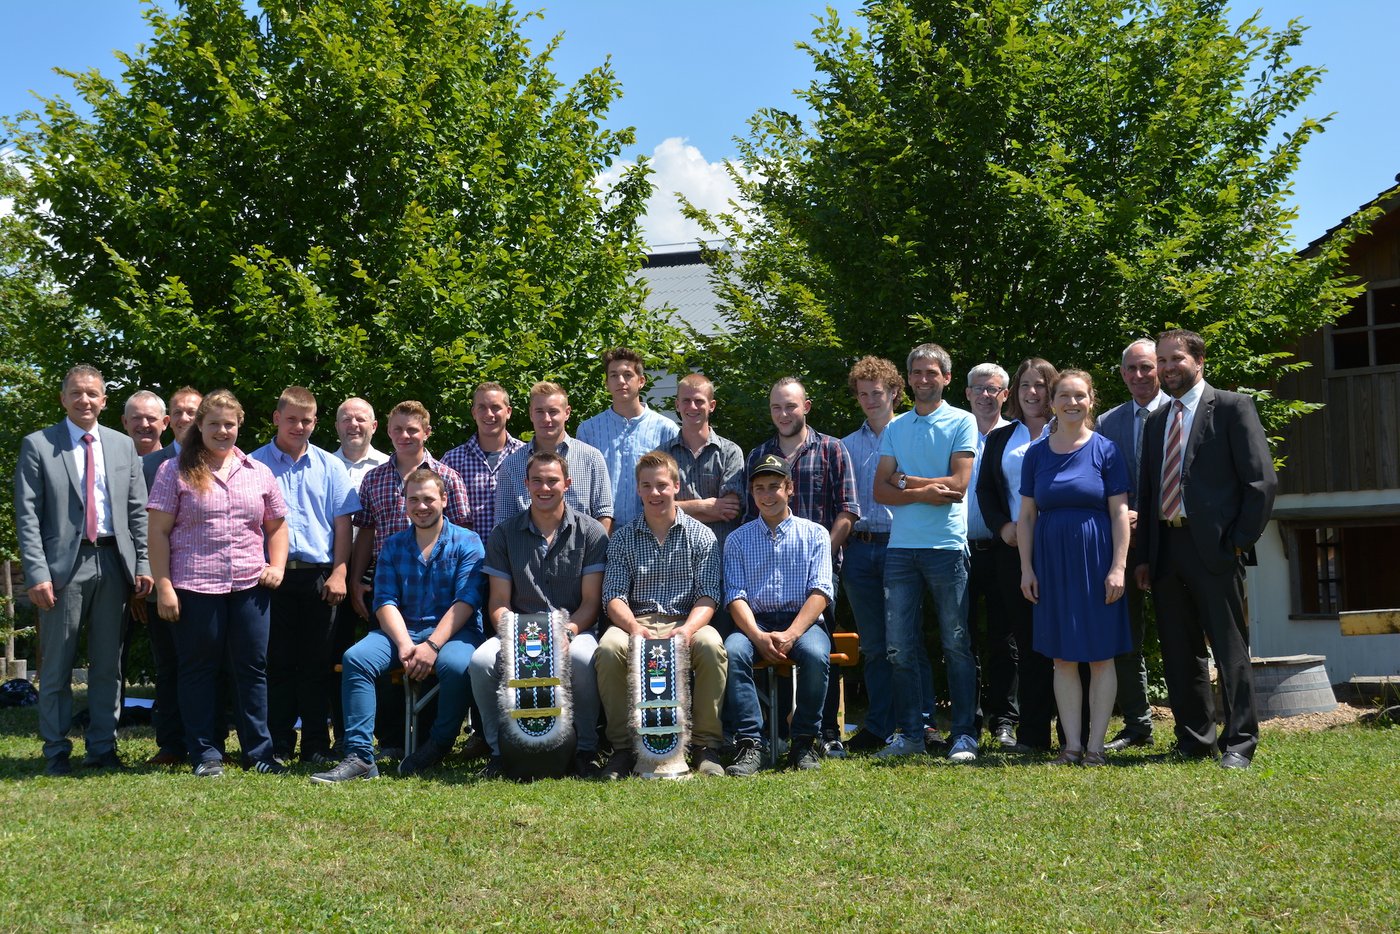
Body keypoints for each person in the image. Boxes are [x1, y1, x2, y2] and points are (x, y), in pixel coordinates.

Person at [1134, 329, 1277, 769]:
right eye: (1161, 360)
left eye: (1175, 359)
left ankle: (1239, 744)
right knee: (1180, 651)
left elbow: (1261, 483)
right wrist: (1143, 555)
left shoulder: (1233, 407)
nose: (1166, 367)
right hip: (1165, 547)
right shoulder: (1156, 419)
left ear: (1198, 360)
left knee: (1230, 651)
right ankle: (1195, 738)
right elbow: (1146, 491)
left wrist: (1237, 541)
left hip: (1215, 549)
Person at [14, 365, 151, 776]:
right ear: (63, 398)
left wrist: (142, 562)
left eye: (92, 393)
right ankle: (56, 750)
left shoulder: (123, 446)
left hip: (113, 562)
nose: (85, 400)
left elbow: (136, 513)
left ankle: (103, 748)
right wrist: (36, 573)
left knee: (109, 664)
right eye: (76, 393)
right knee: (57, 663)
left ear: (104, 400)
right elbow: (27, 516)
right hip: (62, 569)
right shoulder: (39, 445)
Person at [147, 389, 289, 777]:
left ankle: (259, 753)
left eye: (230, 424)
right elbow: (157, 532)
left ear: (239, 426)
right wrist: (164, 585)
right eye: (214, 424)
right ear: (200, 426)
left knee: (252, 670)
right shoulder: (173, 471)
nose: (223, 431)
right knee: (198, 670)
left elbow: (276, 526)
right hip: (194, 586)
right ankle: (205, 754)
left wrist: (276, 565)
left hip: (249, 585)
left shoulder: (258, 472)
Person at [311, 469, 486, 782]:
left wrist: (432, 645)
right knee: (357, 659)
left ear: (444, 500)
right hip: (401, 632)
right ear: (404, 504)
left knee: (457, 665)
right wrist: (406, 644)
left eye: (429, 499)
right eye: (413, 499)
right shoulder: (392, 545)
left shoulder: (468, 542)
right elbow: (385, 601)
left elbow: (466, 601)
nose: (421, 506)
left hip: (455, 632)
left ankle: (439, 743)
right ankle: (361, 756)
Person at [469, 451, 609, 777]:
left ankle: (586, 750)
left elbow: (591, 602)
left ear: (567, 484)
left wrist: (569, 633)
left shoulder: (591, 533)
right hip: (518, 631)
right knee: (480, 662)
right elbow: (499, 602)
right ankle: (498, 751)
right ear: (526, 484)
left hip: (574, 628)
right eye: (537, 481)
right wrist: (515, 637)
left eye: (552, 481)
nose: (544, 487)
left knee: (584, 661)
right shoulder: (504, 534)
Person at [1017, 370, 1132, 766]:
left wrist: (1118, 567)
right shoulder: (1036, 453)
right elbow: (1027, 516)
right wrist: (1026, 569)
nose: (1071, 402)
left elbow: (1119, 513)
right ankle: (1070, 748)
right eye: (1063, 395)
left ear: (1090, 400)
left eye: (1079, 395)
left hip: (1096, 561)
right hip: (1051, 565)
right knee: (1062, 657)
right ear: (1052, 402)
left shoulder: (1106, 450)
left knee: (1101, 655)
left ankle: (1095, 748)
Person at [873, 343, 979, 763]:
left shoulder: (962, 420)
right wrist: (920, 488)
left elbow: (955, 487)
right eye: (916, 372)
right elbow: (879, 489)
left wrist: (903, 482)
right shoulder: (896, 427)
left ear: (946, 378)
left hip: (947, 549)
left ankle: (965, 735)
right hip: (901, 550)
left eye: (931, 373)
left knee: (956, 644)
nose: (922, 379)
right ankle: (912, 735)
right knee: (899, 647)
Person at [594, 451, 727, 779]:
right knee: (608, 650)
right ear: (638, 490)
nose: (655, 493)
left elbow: (708, 596)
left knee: (712, 647)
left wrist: (686, 631)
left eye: (662, 485)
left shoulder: (701, 536)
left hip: (687, 621)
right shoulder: (623, 538)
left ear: (676, 487)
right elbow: (612, 597)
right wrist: (633, 628)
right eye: (647, 486)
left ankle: (704, 746)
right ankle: (623, 749)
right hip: (634, 622)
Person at [744, 377, 858, 757]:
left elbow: (848, 510)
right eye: (776, 407)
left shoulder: (831, 449)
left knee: (816, 648)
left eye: (790, 406)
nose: (783, 414)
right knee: (769, 653)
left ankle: (823, 734)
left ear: (806, 406)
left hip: (819, 571)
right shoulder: (759, 454)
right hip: (766, 577)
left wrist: (821, 554)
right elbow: (750, 517)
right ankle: (774, 735)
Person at [250, 387, 359, 764]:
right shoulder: (253, 465)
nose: (299, 426)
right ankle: (278, 743)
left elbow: (342, 526)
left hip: (319, 578)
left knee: (316, 664)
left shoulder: (331, 466)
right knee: (276, 662)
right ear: (276, 418)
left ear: (315, 422)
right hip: (269, 578)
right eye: (292, 418)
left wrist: (341, 572)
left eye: (307, 420)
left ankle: (315, 744)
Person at [839, 356, 934, 752]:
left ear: (895, 392)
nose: (869, 401)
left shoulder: (914, 434)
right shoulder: (845, 446)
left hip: (903, 547)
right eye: (862, 394)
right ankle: (879, 725)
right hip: (860, 551)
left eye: (876, 393)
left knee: (908, 639)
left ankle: (923, 723)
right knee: (875, 646)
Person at [723, 455, 834, 775]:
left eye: (774, 486)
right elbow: (735, 595)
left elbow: (821, 591)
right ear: (751, 494)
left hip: (803, 621)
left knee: (815, 654)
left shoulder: (815, 534)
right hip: (753, 623)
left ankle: (804, 740)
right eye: (759, 488)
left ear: (790, 489)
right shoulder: (737, 539)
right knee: (732, 651)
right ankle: (750, 743)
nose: (767, 495)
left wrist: (791, 634)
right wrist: (757, 635)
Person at [976, 358, 1059, 751]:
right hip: (1013, 551)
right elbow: (986, 491)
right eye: (1025, 384)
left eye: (1040, 385)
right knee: (1026, 643)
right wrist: (1002, 527)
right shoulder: (1001, 438)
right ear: (1015, 392)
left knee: (1067, 641)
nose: (1032, 392)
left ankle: (1073, 733)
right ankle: (1033, 734)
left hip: (1064, 548)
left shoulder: (1071, 431)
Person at [1096, 339, 1170, 750]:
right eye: (1131, 369)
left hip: (1174, 540)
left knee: (1182, 634)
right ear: (1122, 374)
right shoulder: (1108, 422)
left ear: (1158, 368)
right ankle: (1138, 725)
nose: (1139, 376)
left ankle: (1198, 722)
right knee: (1127, 638)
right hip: (1123, 545)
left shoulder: (1179, 412)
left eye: (1146, 367)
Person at [347, 400, 471, 621]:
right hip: (386, 579)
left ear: (427, 432)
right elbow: (366, 532)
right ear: (388, 431)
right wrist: (356, 580)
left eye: (412, 430)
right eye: (398, 429)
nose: (404, 435)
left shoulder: (448, 477)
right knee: (388, 646)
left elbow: (463, 534)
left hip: (439, 578)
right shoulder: (373, 479)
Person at [137, 385, 203, 766]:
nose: (184, 419)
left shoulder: (219, 459)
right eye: (177, 412)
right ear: (168, 420)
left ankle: (207, 739)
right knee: (169, 665)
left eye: (192, 412)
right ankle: (171, 744)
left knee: (208, 662)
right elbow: (138, 525)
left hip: (205, 582)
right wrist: (143, 580)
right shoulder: (147, 466)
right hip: (159, 582)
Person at [962, 362, 1016, 750]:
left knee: (1004, 638)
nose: (985, 395)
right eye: (978, 388)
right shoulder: (952, 432)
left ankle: (1005, 719)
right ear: (966, 393)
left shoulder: (1015, 436)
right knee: (961, 639)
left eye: (992, 389)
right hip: (958, 550)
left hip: (1002, 549)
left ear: (1005, 395)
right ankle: (969, 720)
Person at [576, 348, 679, 527]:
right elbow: (581, 488)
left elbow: (675, 485)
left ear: (641, 381)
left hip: (652, 531)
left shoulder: (666, 429)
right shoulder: (588, 430)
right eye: (614, 375)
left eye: (628, 375)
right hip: (600, 534)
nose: (621, 381)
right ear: (607, 383)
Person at [493, 381, 614, 532]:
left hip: (583, 552)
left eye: (553, 411)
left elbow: (604, 513)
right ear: (531, 414)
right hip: (527, 553)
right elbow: (503, 522)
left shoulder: (591, 458)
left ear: (567, 413)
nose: (546, 419)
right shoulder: (511, 465)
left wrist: (595, 553)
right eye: (539, 411)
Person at [669, 373, 745, 552]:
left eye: (699, 401)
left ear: (712, 406)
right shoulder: (662, 455)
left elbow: (729, 510)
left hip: (718, 555)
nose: (692, 406)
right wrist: (705, 506)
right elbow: (656, 510)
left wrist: (675, 509)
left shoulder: (730, 452)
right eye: (686, 400)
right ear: (677, 405)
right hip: (675, 559)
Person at [442, 382, 526, 539]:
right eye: (482, 407)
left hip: (516, 556)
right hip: (467, 559)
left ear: (508, 412)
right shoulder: (452, 461)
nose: (489, 414)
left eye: (495, 407)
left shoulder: (526, 456)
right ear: (474, 413)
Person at [332, 397, 390, 490]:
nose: (353, 424)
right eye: (346, 419)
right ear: (337, 427)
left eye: (360, 419)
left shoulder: (390, 466)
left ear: (374, 426)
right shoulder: (324, 467)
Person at [121, 390, 169, 456]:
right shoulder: (111, 464)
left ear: (164, 422)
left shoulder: (175, 464)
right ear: (125, 422)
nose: (144, 424)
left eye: (151, 418)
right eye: (137, 418)